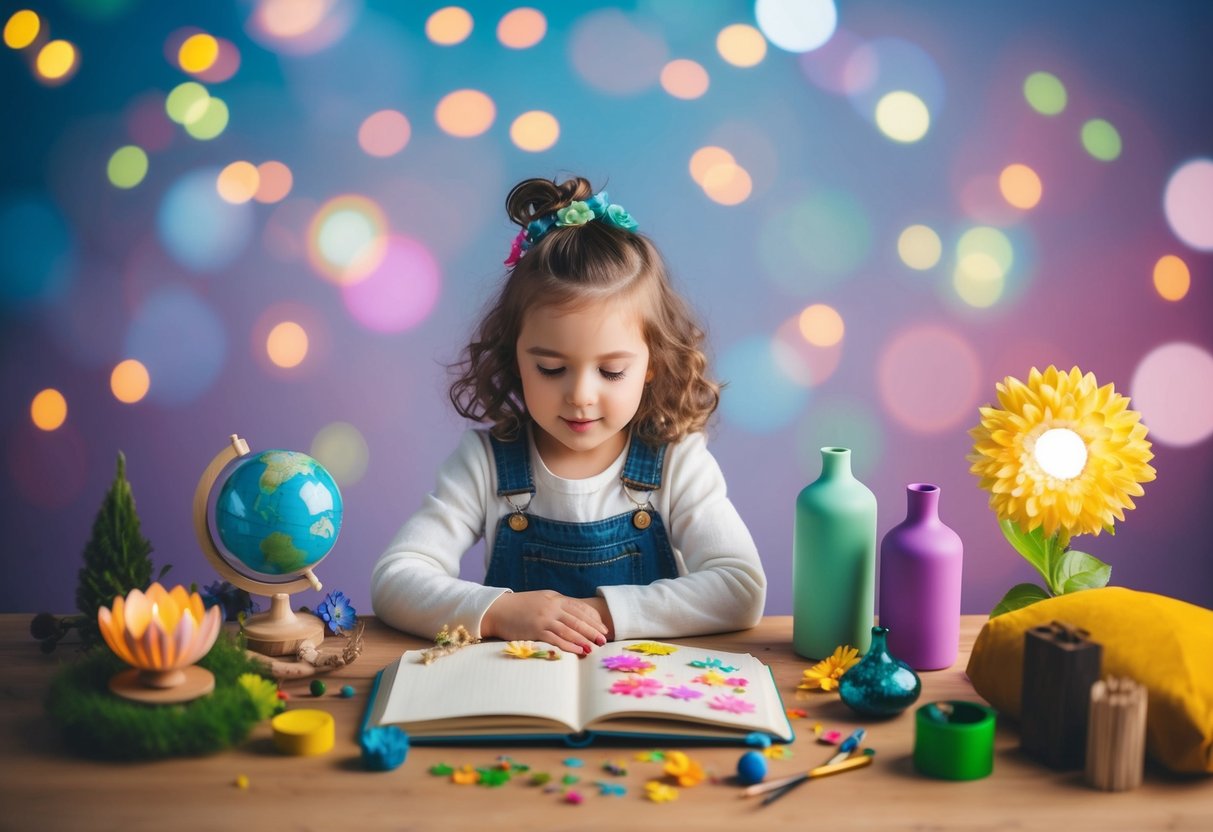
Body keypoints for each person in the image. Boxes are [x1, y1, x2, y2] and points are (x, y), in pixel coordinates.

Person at [371, 175, 766, 655]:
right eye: (551, 368)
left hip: (642, 700)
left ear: (650, 366)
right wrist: (498, 613)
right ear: (514, 359)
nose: (580, 395)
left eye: (612, 371)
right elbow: (395, 579)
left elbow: (740, 588)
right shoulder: (484, 464)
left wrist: (598, 616)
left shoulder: (678, 462)